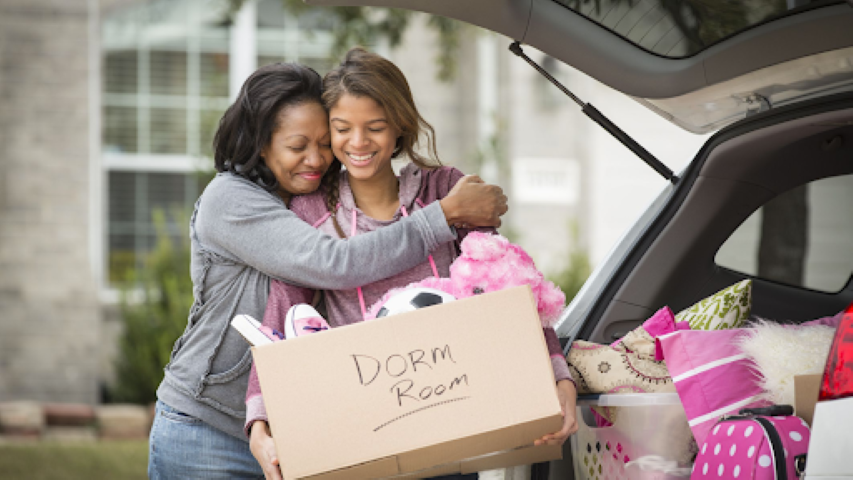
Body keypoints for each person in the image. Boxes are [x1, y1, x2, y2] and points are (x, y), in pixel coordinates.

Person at [147, 62, 508, 480]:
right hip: (211, 430)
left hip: (303, 433)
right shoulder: (230, 201)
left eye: (323, 142)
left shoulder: (322, 199)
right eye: (298, 146)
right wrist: (444, 214)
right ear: (262, 144)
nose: (316, 158)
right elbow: (335, 264)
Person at [244, 48, 578, 480]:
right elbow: (281, 316)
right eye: (342, 129)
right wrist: (260, 423)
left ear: (400, 125)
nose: (358, 143)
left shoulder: (445, 191)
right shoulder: (310, 213)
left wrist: (559, 379)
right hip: (366, 438)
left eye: (375, 128)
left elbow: (509, 285)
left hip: (454, 428)